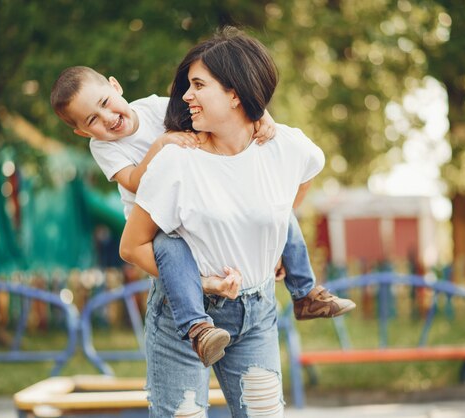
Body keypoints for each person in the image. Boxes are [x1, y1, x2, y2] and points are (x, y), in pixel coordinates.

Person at [50, 64, 354, 368]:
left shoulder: (155, 107)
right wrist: (160, 146)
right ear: (83, 131)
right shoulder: (103, 147)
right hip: (157, 223)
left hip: (193, 205)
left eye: (104, 103)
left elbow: (212, 108)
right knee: (171, 249)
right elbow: (132, 181)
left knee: (279, 213)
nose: (107, 118)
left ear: (115, 87)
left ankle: (305, 292)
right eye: (93, 120)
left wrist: (260, 114)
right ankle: (198, 328)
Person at [119, 26, 344, 417]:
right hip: (184, 316)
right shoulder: (176, 161)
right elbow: (131, 246)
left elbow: (307, 173)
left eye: (198, 85)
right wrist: (201, 282)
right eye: (187, 85)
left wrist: (274, 238)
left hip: (256, 311)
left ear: (235, 93)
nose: (186, 95)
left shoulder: (285, 147)